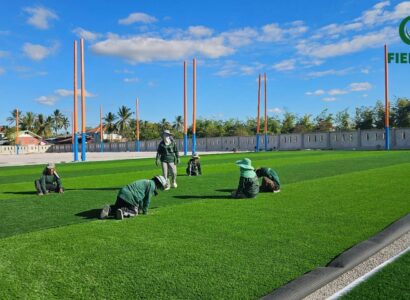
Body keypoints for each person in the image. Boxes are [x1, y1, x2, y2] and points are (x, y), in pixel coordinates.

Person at [100, 175, 167, 220]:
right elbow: (147, 200)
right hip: (130, 197)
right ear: (159, 184)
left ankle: (110, 208)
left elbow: (141, 199)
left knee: (117, 206)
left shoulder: (146, 181)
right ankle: (123, 211)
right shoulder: (152, 185)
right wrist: (145, 211)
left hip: (122, 193)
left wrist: (140, 207)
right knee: (134, 212)